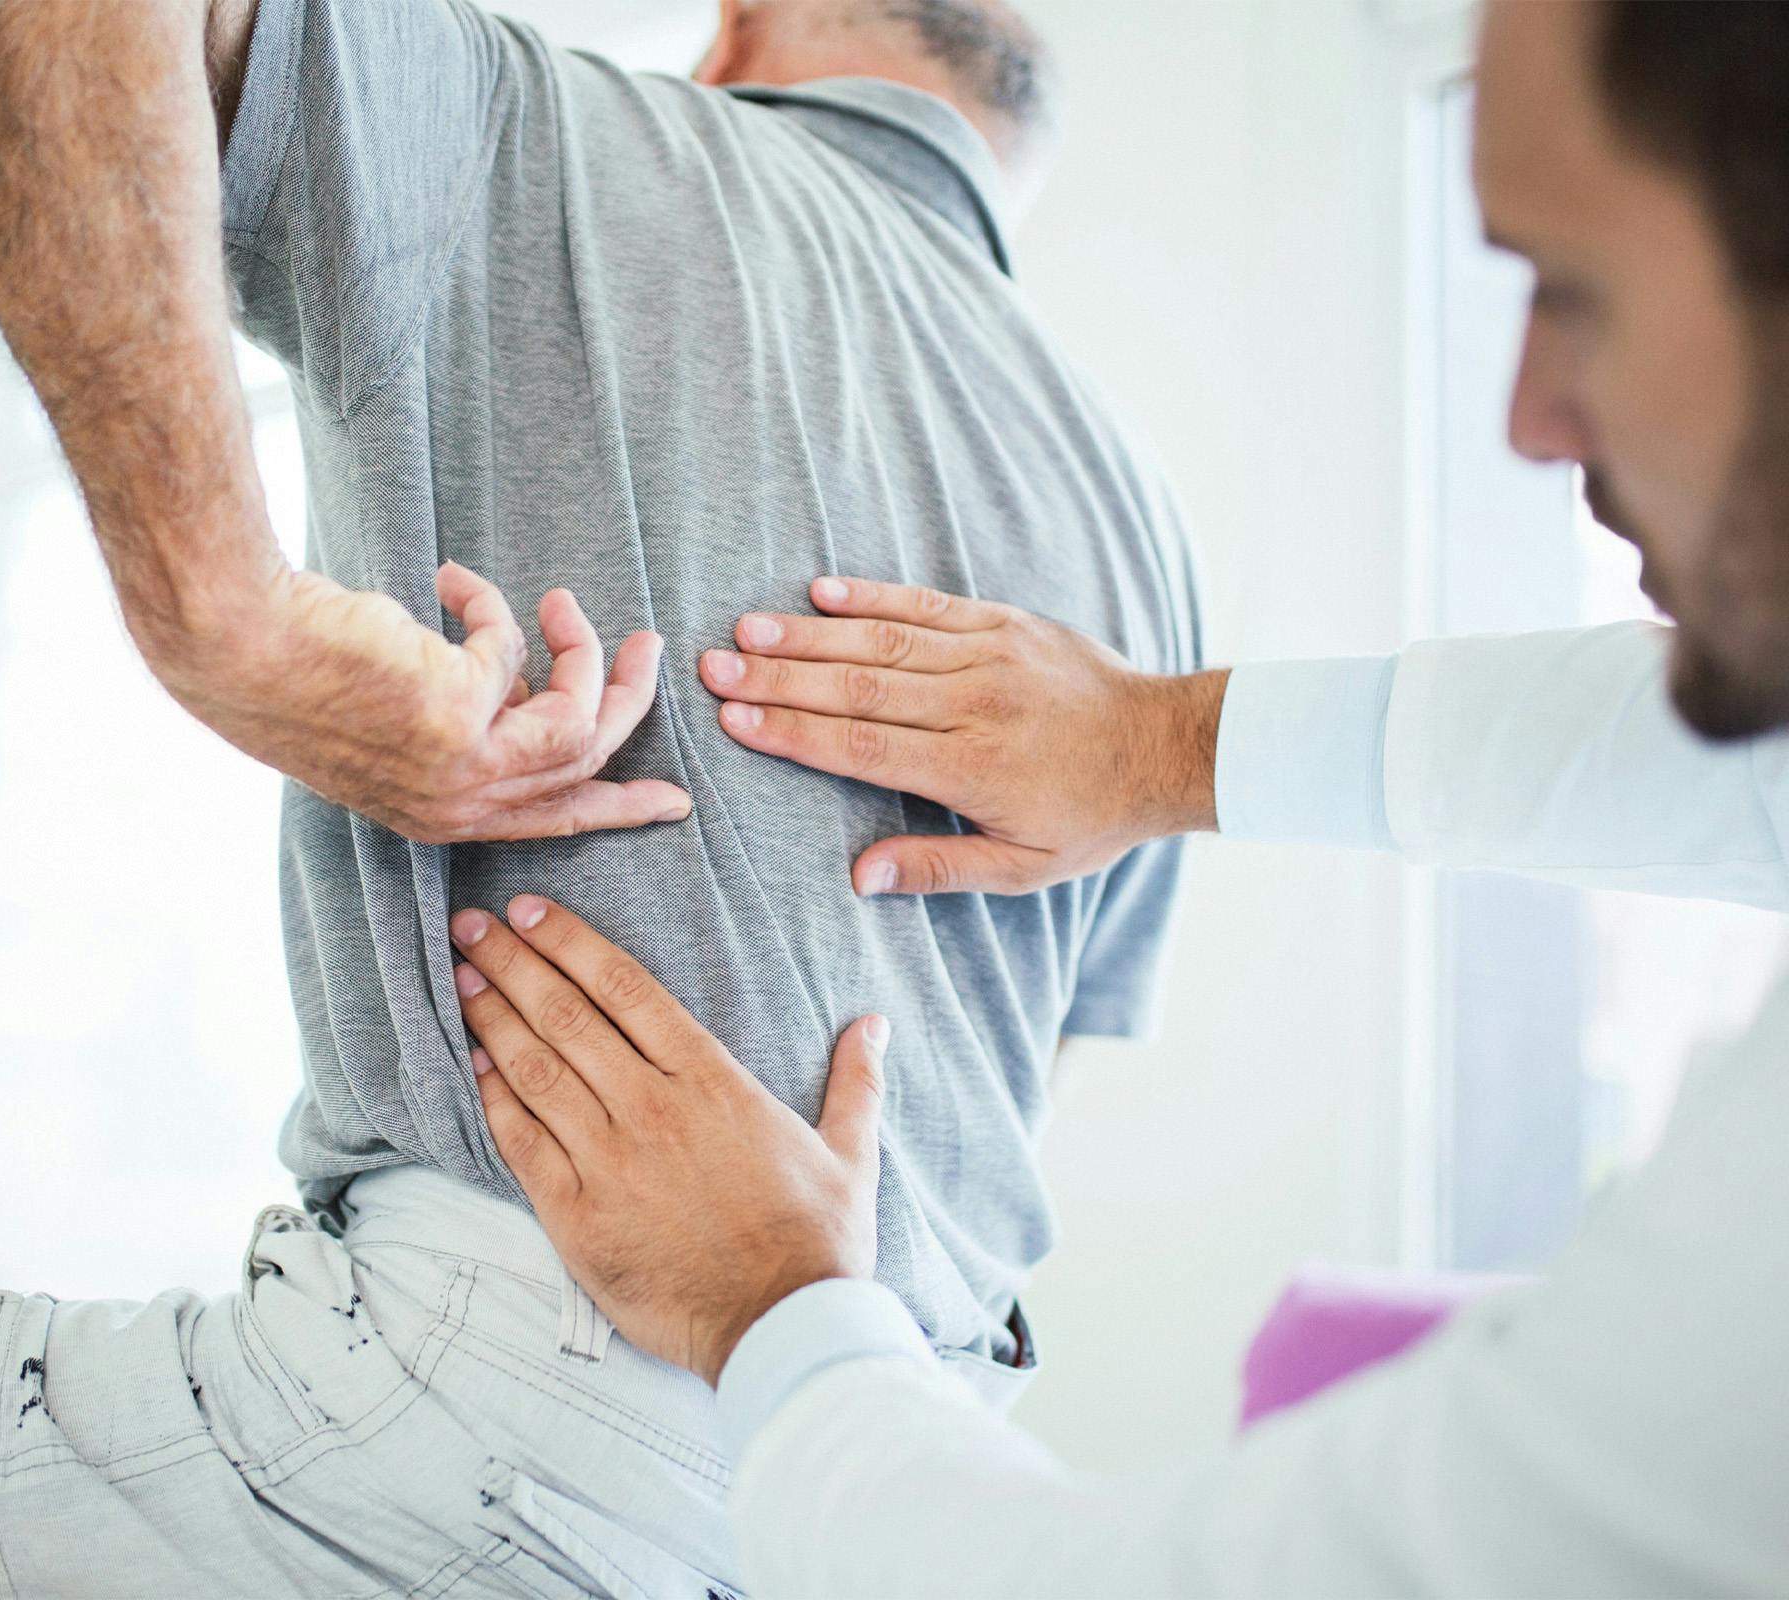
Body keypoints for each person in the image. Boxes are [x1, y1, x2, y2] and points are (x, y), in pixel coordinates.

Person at [439, 1, 1789, 1593]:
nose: (1524, 416)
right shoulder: (1133, 510)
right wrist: (1165, 745)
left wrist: (776, 1310)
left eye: (1575, 286)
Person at [0, 0, 1203, 1593]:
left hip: (508, 1421)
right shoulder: (1148, 542)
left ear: (736, 33)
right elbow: (992, 1103)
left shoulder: (545, 125)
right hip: (867, 1481)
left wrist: (219, 614)